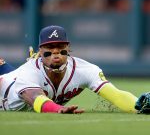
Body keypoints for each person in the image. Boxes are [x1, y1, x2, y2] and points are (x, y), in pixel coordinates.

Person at [0, 25, 138, 114]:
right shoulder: (29, 71)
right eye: (50, 47)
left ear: (68, 48)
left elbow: (117, 95)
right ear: (40, 51)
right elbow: (36, 99)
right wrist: (58, 109)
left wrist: (138, 105)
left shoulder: (84, 70)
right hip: (4, 90)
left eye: (60, 46)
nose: (55, 51)